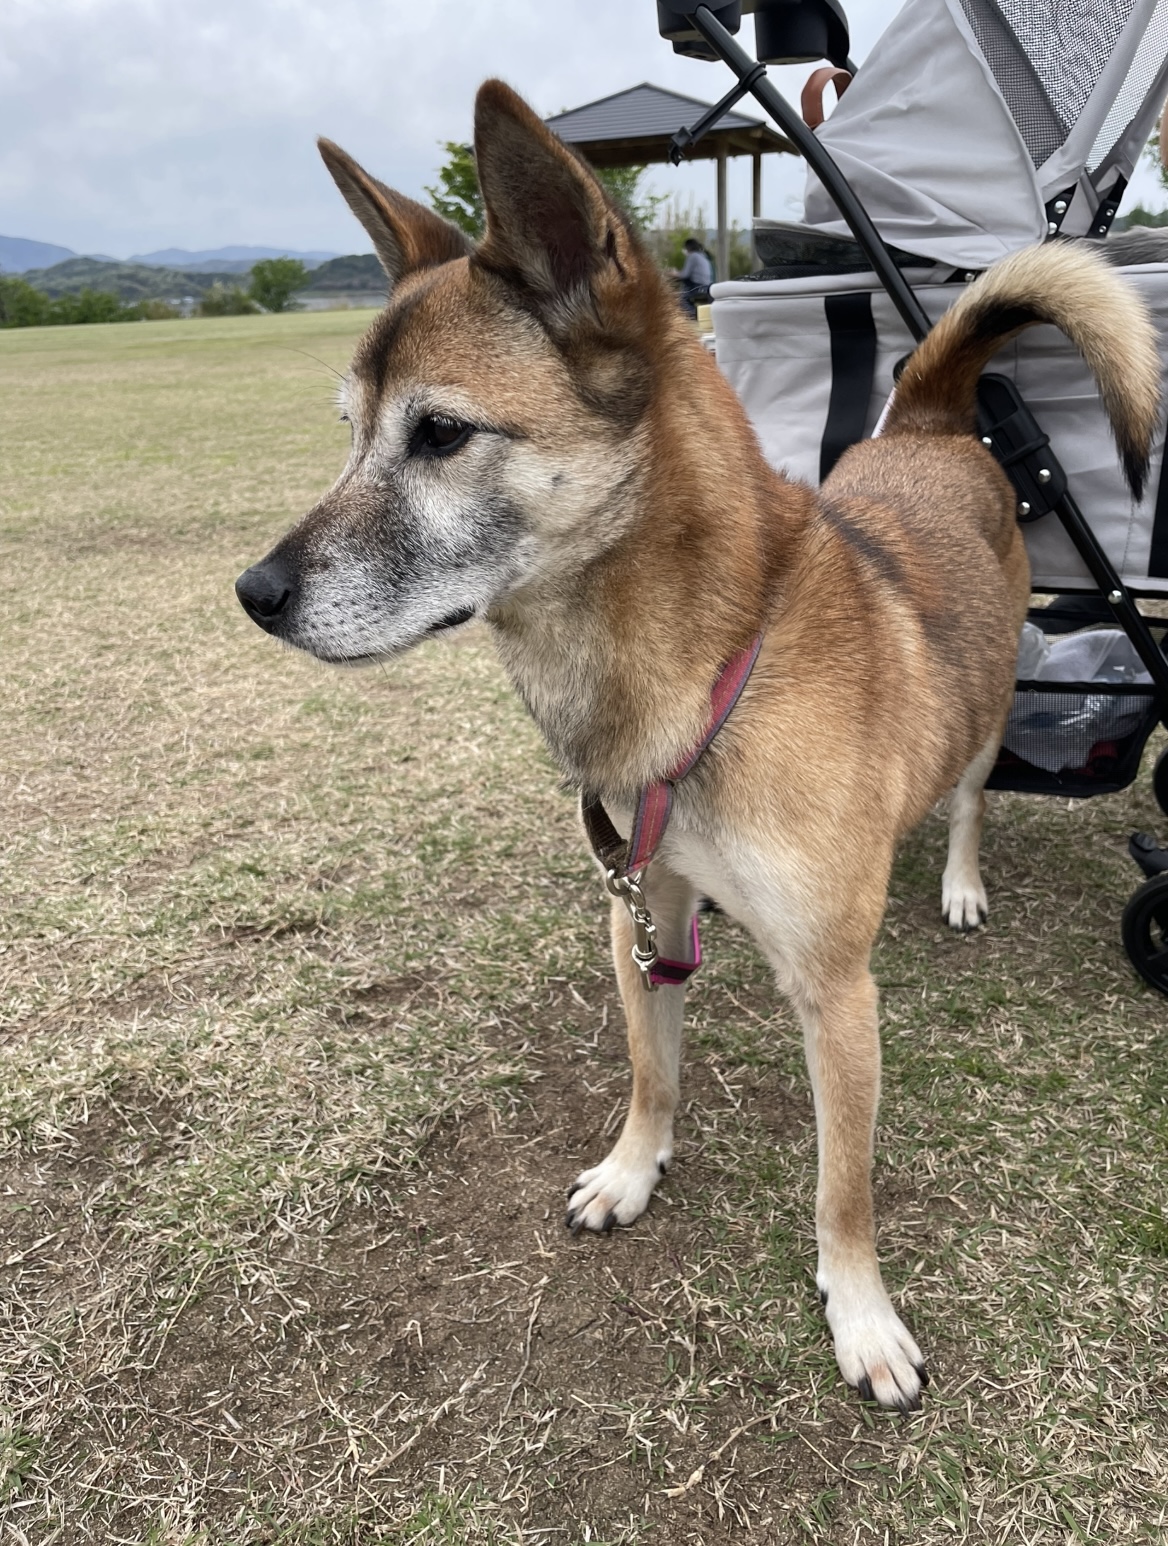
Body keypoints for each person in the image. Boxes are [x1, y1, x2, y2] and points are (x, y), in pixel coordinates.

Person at [670, 237, 714, 317]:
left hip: (698, 287)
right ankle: (697, 313)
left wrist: (673, 273)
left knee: (679, 298)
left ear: (688, 247)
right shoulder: (703, 256)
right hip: (707, 286)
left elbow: (684, 275)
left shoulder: (692, 256)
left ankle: (695, 314)